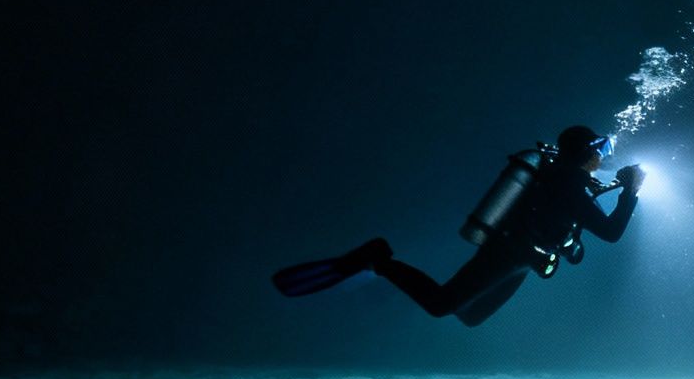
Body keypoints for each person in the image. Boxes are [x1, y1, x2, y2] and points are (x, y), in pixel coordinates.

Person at [270, 126, 643, 327]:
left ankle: (379, 269)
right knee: (440, 305)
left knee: (472, 315)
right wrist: (631, 192)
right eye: (602, 148)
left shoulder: (563, 177)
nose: (603, 155)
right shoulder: (568, 182)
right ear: (585, 152)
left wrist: (621, 189)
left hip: (521, 256)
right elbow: (610, 233)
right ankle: (379, 260)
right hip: (510, 251)